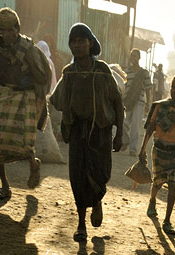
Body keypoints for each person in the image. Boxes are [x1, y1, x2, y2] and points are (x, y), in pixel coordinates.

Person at [50, 23, 124, 240]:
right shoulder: (69, 73)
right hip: (77, 133)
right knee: (77, 177)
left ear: (90, 43)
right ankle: (81, 223)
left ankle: (97, 200)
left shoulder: (102, 71)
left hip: (100, 133)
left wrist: (120, 133)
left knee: (101, 175)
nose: (77, 45)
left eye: (81, 41)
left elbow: (117, 101)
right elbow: (58, 99)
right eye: (73, 41)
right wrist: (64, 123)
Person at [0, 7, 52, 201]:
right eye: (3, 31)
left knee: (23, 143)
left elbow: (40, 76)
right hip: (1, 93)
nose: (7, 35)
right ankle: (5, 187)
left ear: (17, 28)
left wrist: (27, 68)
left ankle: (33, 165)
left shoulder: (28, 48)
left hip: (24, 97)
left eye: (10, 30)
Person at [140, 74, 175, 236]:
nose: (174, 91)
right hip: (159, 149)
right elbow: (150, 128)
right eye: (173, 87)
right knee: (157, 182)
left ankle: (167, 220)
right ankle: (152, 201)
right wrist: (142, 149)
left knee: (173, 185)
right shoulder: (160, 107)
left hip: (174, 152)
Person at [123, 49, 152, 154]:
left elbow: (148, 89)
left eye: (135, 56)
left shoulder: (144, 73)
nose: (133, 58)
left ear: (139, 58)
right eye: (131, 56)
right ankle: (125, 141)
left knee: (135, 127)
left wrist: (149, 103)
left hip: (139, 102)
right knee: (123, 123)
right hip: (127, 102)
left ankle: (133, 149)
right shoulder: (127, 72)